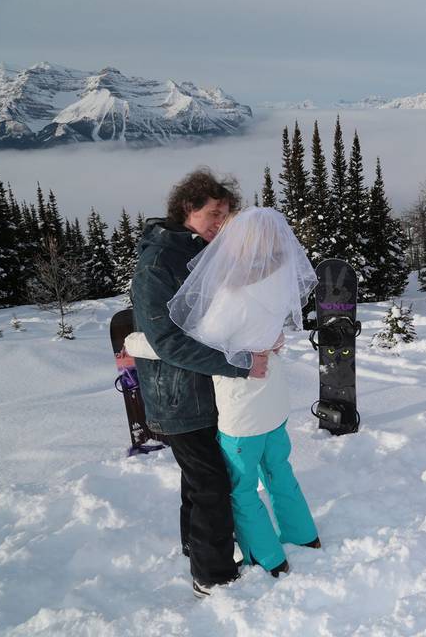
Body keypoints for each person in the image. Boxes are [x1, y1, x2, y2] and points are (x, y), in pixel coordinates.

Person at [128, 206, 321, 582]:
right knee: (279, 471)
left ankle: (268, 558)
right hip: (274, 400)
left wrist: (135, 341)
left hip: (241, 408)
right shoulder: (278, 276)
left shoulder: (230, 294)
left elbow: (182, 343)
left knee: (241, 487)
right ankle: (303, 535)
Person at [131, 168, 268, 598]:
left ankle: (194, 545)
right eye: (214, 213)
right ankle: (212, 574)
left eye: (227, 215)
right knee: (211, 482)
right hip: (177, 398)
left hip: (201, 392)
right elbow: (169, 342)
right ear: (188, 209)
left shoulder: (198, 251)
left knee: (198, 477)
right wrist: (242, 364)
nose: (221, 223)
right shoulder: (158, 262)